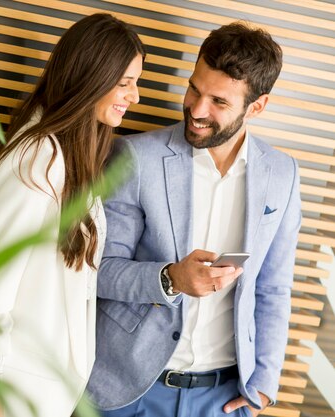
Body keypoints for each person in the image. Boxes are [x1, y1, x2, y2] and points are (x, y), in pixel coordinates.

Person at [0, 13, 145, 417]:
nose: (134, 96)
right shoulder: (38, 160)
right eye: (125, 82)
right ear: (90, 77)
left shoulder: (71, 159)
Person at [86, 21, 301, 417]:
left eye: (219, 102)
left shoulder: (283, 175)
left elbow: (273, 288)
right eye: (194, 89)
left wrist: (264, 389)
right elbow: (99, 271)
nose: (197, 110)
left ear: (257, 106)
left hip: (223, 400)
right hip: (128, 391)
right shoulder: (135, 157)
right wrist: (170, 278)